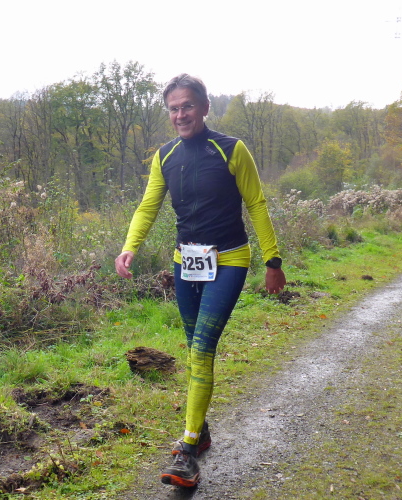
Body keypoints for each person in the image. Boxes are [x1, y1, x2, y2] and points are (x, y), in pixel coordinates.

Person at [114, 73, 287, 488]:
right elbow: (148, 206)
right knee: (194, 350)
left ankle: (187, 450)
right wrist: (129, 246)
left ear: (205, 107)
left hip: (229, 260)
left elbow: (256, 204)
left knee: (203, 348)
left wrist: (273, 260)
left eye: (187, 106)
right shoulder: (165, 156)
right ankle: (202, 429)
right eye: (173, 108)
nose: (180, 114)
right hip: (186, 263)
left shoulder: (231, 149)